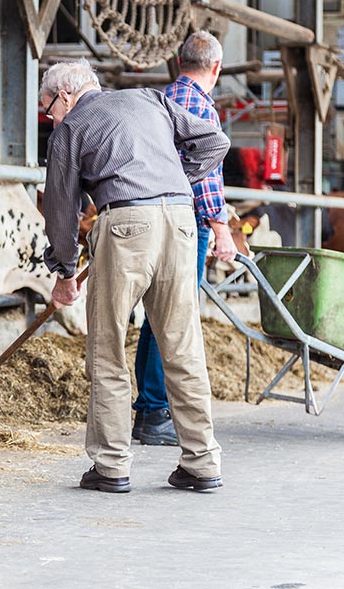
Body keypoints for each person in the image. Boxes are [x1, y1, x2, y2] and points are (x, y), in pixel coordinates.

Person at [41, 59, 229, 493]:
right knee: (183, 347)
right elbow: (214, 141)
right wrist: (178, 180)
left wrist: (64, 270)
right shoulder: (150, 99)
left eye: (48, 106)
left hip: (125, 224)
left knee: (107, 350)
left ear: (65, 96)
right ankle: (202, 462)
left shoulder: (70, 128)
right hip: (182, 221)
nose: (49, 116)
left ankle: (111, 466)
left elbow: (61, 209)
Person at [132, 30, 238, 446]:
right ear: (216, 68)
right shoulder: (199, 105)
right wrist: (221, 228)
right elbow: (208, 174)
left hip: (153, 219)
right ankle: (156, 410)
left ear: (179, 63)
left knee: (154, 317)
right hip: (184, 223)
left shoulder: (161, 100)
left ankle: (148, 410)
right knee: (174, 318)